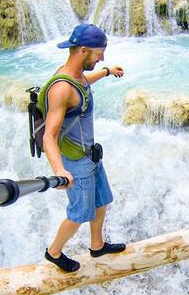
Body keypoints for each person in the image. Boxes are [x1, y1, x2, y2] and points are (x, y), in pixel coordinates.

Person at [41, 23, 126, 272]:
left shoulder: (76, 77)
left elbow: (84, 82)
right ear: (83, 50)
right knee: (79, 213)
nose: (102, 58)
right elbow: (49, 136)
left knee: (102, 201)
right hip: (75, 163)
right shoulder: (61, 89)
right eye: (100, 53)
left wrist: (107, 71)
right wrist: (60, 170)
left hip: (91, 157)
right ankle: (53, 252)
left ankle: (97, 246)